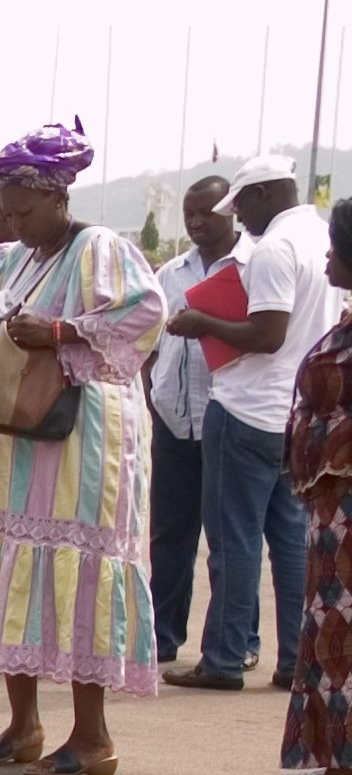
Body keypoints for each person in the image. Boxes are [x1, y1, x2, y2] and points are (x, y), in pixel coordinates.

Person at [0, 121, 166, 775]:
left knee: (77, 573)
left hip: (79, 442)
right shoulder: (13, 259)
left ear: (59, 199)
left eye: (26, 210)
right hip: (12, 440)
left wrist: (60, 330)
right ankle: (23, 724)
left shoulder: (100, 250)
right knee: (11, 568)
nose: (15, 221)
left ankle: (92, 737)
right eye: (7, 210)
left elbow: (146, 315)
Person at [168, 153, 338, 692]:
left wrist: (201, 322)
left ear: (264, 195)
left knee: (233, 541)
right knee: (289, 541)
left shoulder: (274, 249)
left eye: (240, 204)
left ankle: (222, 659)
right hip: (295, 410)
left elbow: (267, 335)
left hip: (246, 409)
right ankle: (293, 660)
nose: (238, 218)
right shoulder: (321, 237)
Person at [269, 201, 352, 775]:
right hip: (331, 513)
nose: (327, 257)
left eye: (335, 246)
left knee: (340, 646)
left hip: (346, 517)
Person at [147, 176, 237, 663]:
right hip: (172, 418)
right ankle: (162, 635)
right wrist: (151, 396)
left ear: (232, 212)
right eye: (190, 215)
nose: (198, 222)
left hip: (227, 418)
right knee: (169, 534)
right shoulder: (170, 274)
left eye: (208, 213)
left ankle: (235, 643)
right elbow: (148, 343)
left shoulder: (248, 268)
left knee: (227, 541)